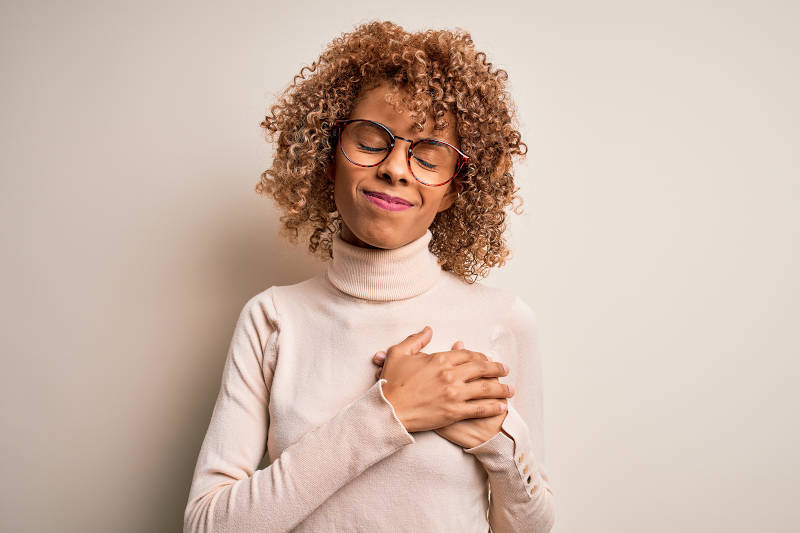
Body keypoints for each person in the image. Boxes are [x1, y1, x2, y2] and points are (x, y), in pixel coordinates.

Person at [184, 20, 555, 533]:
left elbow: (530, 527)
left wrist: (500, 440)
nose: (397, 169)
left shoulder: (503, 321)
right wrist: (391, 412)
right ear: (328, 157)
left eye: (428, 155)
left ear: (453, 189)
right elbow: (207, 525)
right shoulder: (273, 318)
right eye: (370, 140)